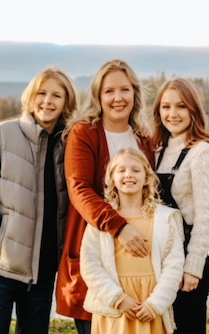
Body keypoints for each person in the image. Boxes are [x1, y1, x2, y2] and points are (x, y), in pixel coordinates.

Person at [0, 66, 79, 334]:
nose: (48, 101)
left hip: (43, 272)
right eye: (41, 93)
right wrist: (3, 237)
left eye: (56, 95)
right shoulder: (2, 134)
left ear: (66, 102)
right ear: (31, 97)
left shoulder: (72, 142)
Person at [55, 59, 155, 334]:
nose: (118, 98)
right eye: (109, 91)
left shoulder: (143, 139)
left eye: (125, 90)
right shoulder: (84, 133)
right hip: (96, 254)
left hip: (138, 261)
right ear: (98, 96)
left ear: (135, 93)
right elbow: (80, 189)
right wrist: (119, 227)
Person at [80, 148, 185, 334]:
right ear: (112, 178)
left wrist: (156, 303)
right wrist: (117, 299)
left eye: (136, 170)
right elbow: (90, 265)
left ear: (146, 178)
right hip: (116, 308)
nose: (128, 175)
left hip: (150, 307)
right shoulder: (102, 221)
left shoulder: (165, 218)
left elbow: (174, 265)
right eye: (121, 170)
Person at [151, 77, 209, 333]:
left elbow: (206, 215)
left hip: (186, 262)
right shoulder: (156, 151)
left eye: (180, 106)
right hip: (159, 261)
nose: (172, 114)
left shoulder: (203, 152)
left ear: (193, 110)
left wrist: (193, 267)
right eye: (166, 107)